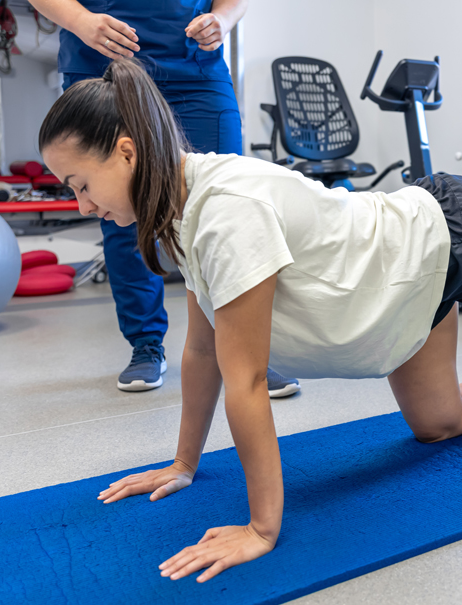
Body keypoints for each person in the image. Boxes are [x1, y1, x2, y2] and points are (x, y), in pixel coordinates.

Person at [38, 59, 462, 583]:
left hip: (443, 238)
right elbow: (199, 353)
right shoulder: (178, 212)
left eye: (79, 184)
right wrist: (184, 464)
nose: (80, 204)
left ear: (126, 153)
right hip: (402, 294)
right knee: (436, 422)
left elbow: (244, 377)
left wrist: (261, 528)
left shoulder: (223, 212)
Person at [30, 0, 300, 397]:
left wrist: (222, 19)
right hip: (101, 58)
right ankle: (146, 343)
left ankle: (251, 346)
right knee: (120, 210)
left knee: (228, 204)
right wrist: (79, 20)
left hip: (194, 65)